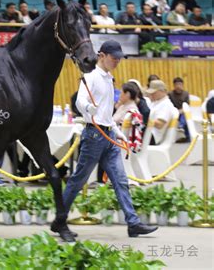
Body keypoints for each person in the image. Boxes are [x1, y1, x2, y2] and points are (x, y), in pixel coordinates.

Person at [58, 40, 158, 239]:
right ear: (101, 56)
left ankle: (133, 223)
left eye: (119, 58)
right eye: (114, 58)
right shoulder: (91, 77)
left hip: (108, 134)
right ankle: (59, 220)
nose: (117, 61)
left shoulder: (108, 79)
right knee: (78, 180)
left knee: (120, 180)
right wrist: (88, 109)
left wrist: (115, 129)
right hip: (94, 135)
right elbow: (80, 100)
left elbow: (105, 111)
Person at [146, 79, 176, 145]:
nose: (151, 94)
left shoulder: (166, 105)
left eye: (154, 93)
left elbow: (160, 124)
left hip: (152, 135)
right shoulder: (156, 102)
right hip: (148, 133)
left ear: (162, 91)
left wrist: (143, 119)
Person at [168, 77, 190, 142]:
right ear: (174, 85)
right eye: (176, 85)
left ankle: (182, 126)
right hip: (173, 112)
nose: (178, 86)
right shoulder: (170, 94)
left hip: (183, 112)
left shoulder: (186, 94)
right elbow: (169, 105)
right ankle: (181, 126)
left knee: (185, 115)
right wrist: (176, 111)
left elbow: (187, 105)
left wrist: (181, 111)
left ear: (182, 85)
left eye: (180, 84)